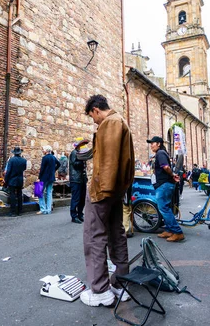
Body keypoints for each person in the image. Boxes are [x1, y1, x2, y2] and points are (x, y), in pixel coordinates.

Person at [80, 94, 134, 307]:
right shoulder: (120, 122)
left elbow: (109, 161)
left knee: (94, 237)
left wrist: (103, 191)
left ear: (95, 109)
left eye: (92, 116)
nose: (94, 121)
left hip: (103, 191)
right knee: (115, 233)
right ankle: (120, 284)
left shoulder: (110, 123)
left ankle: (100, 290)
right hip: (114, 190)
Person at [148, 136, 184, 242]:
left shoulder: (160, 153)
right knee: (166, 207)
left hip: (164, 184)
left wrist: (172, 175)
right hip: (165, 184)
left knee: (163, 208)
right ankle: (169, 230)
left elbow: (166, 167)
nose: (151, 145)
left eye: (152, 143)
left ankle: (177, 232)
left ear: (158, 143)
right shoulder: (161, 153)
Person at [69, 138, 88, 224]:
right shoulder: (74, 153)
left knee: (82, 198)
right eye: (82, 144)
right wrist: (82, 160)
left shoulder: (81, 153)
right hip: (75, 179)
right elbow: (74, 164)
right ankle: (74, 216)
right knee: (76, 198)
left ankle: (80, 214)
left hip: (82, 179)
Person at [4, 146, 27, 217]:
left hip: (12, 179)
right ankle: (20, 211)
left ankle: (12, 211)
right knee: (19, 195)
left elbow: (8, 171)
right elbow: (24, 168)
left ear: (14, 153)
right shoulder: (24, 160)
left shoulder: (11, 160)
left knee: (12, 195)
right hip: (20, 179)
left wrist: (6, 179)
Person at [37, 145, 60, 215]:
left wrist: (39, 177)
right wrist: (54, 170)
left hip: (44, 177)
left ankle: (43, 209)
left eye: (43, 150)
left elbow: (42, 169)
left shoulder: (44, 158)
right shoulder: (53, 157)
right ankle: (48, 209)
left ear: (46, 151)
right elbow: (59, 164)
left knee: (39, 192)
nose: (43, 151)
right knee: (49, 193)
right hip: (51, 177)